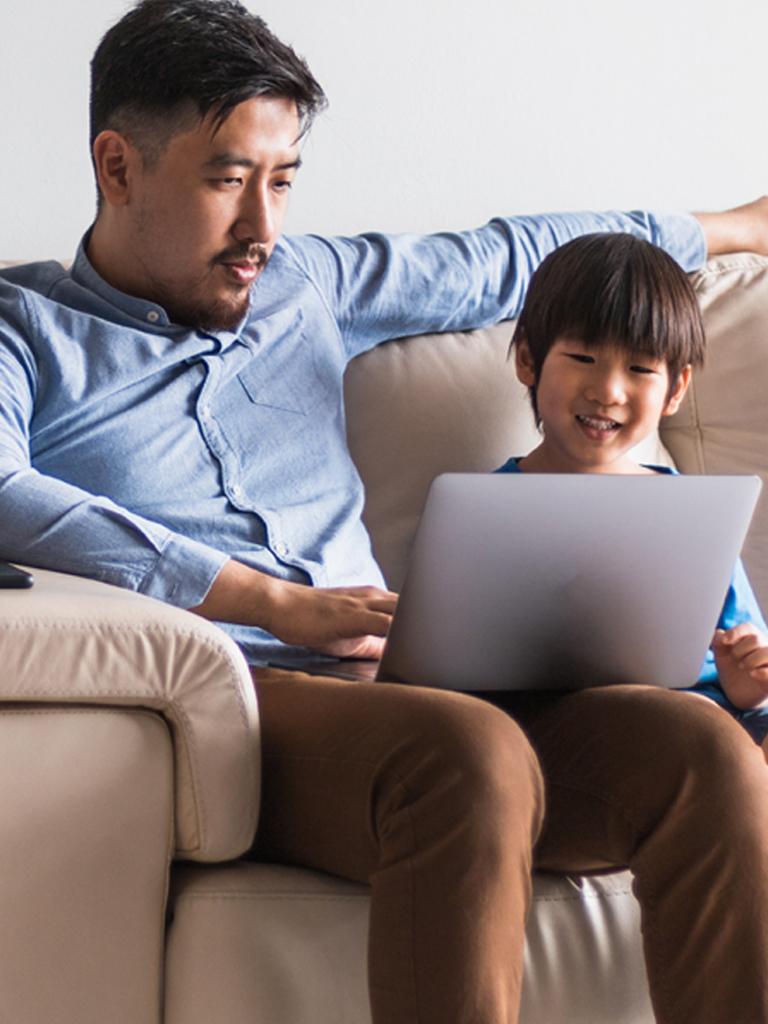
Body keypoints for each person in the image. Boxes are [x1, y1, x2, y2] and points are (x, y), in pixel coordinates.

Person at [3, 1, 768, 1021]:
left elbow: (511, 252)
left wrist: (732, 228)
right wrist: (269, 601)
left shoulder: (308, 284)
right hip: (239, 700)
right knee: (468, 753)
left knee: (702, 751)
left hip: (418, 690)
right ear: (117, 166)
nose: (263, 228)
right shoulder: (25, 330)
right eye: (230, 180)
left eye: (283, 182)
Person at [499, 231, 768, 755]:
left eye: (641, 368)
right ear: (529, 359)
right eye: (583, 357)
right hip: (601, 734)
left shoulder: (694, 514)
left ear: (676, 389)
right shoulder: (487, 512)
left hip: (723, 724)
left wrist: (750, 690)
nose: (609, 391)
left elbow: (748, 657)